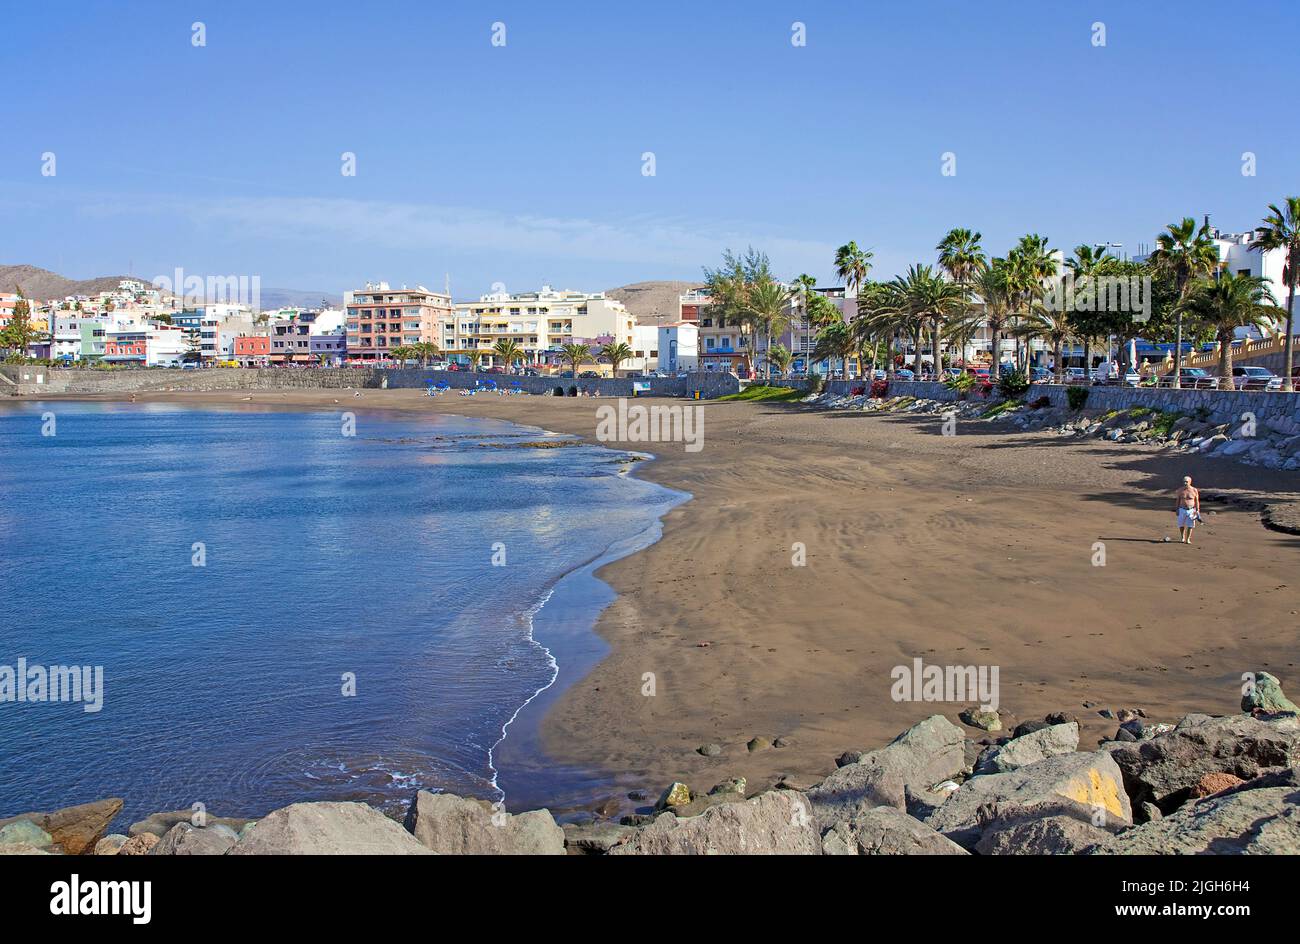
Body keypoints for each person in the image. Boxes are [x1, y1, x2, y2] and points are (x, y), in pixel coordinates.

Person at [1174, 475, 1201, 544]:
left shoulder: (1194, 490)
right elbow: (1178, 500)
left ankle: (1188, 539)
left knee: (1190, 525)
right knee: (1181, 524)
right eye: (1184, 482)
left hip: (1191, 510)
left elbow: (1197, 501)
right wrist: (1176, 509)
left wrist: (1197, 510)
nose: (1185, 483)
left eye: (1186, 482)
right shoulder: (1180, 490)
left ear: (1190, 482)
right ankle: (1182, 537)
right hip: (1182, 509)